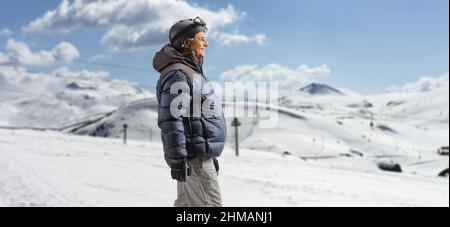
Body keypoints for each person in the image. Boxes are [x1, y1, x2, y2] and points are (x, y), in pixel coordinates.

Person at [153, 17, 227, 207]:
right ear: (186, 42)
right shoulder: (179, 72)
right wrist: (178, 156)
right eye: (201, 38)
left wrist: (208, 153)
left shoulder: (188, 71)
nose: (206, 43)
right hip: (194, 158)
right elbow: (172, 118)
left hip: (196, 156)